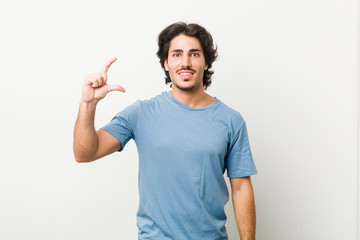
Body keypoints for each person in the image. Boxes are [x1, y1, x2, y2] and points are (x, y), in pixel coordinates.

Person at [73, 22, 257, 240]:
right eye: (177, 55)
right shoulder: (141, 113)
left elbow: (241, 188)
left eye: (194, 54)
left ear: (206, 62)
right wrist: (88, 104)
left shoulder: (231, 120)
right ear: (166, 63)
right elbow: (84, 153)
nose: (185, 63)